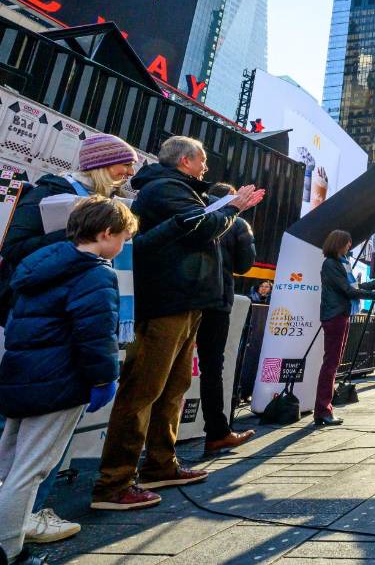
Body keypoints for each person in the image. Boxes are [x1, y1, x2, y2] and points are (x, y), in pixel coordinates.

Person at [0, 133, 139, 545]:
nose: (127, 174)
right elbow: (14, 247)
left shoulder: (105, 220)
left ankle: (15, 518)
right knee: (8, 435)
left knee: (33, 443)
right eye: (121, 165)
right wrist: (79, 237)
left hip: (57, 329)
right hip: (38, 327)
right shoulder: (53, 190)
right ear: (99, 164)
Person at [92, 136, 265, 511]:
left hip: (187, 301)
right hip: (167, 302)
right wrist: (232, 207)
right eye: (202, 161)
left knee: (174, 387)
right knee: (144, 389)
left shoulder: (180, 189)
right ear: (186, 160)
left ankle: (161, 463)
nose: (206, 168)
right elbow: (199, 228)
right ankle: (114, 482)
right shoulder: (165, 189)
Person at [200, 183, 258, 454]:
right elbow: (246, 264)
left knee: (169, 368)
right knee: (213, 367)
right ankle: (217, 431)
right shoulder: (238, 223)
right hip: (217, 298)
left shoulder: (194, 209)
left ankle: (158, 441)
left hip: (182, 296)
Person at [316, 230, 375, 426]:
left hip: (339, 314)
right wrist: (373, 295)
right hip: (334, 315)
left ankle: (324, 409)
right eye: (347, 243)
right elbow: (347, 290)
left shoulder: (340, 264)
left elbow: (350, 287)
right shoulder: (331, 264)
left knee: (332, 363)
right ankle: (323, 410)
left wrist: (373, 285)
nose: (349, 246)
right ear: (339, 244)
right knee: (331, 363)